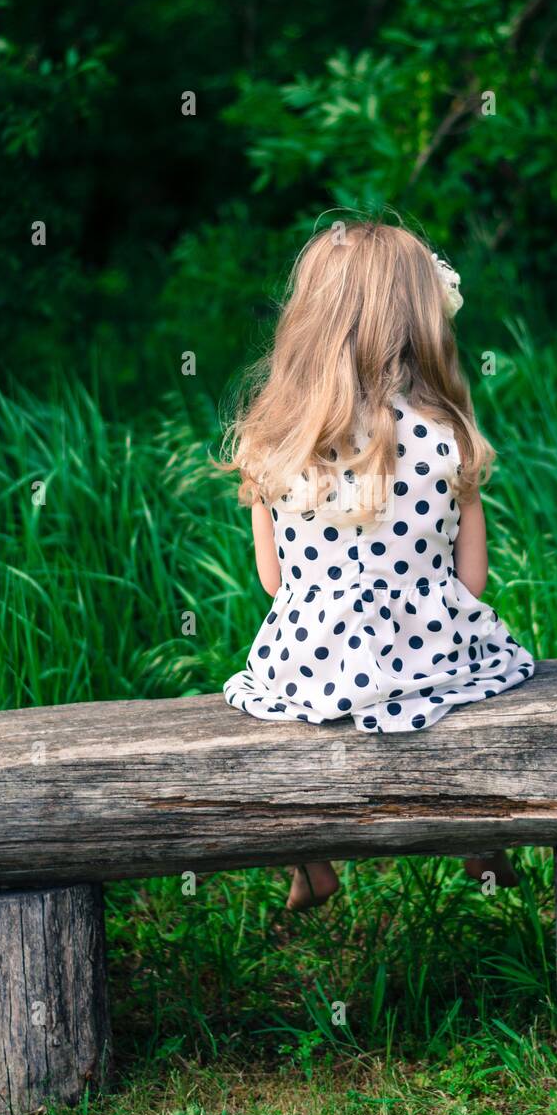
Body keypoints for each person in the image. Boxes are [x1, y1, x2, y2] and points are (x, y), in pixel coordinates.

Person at [221, 219, 535, 909]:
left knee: (282, 720)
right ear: (419, 319)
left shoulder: (274, 442)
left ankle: (309, 863)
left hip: (308, 666)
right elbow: (471, 582)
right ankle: (478, 843)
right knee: (467, 689)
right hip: (433, 655)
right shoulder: (448, 436)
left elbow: (273, 584)